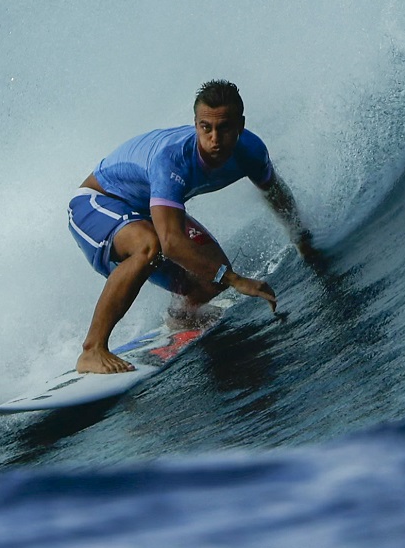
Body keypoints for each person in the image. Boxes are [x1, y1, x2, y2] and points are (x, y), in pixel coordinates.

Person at [67, 79, 321, 374]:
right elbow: (171, 242)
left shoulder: (251, 150)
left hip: (145, 209)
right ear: (196, 124)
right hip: (97, 204)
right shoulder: (172, 159)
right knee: (149, 246)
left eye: (224, 128)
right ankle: (92, 349)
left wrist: (300, 237)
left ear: (240, 125)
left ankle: (181, 316)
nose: (215, 139)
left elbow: (275, 192)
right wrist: (236, 280)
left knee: (210, 276)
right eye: (205, 128)